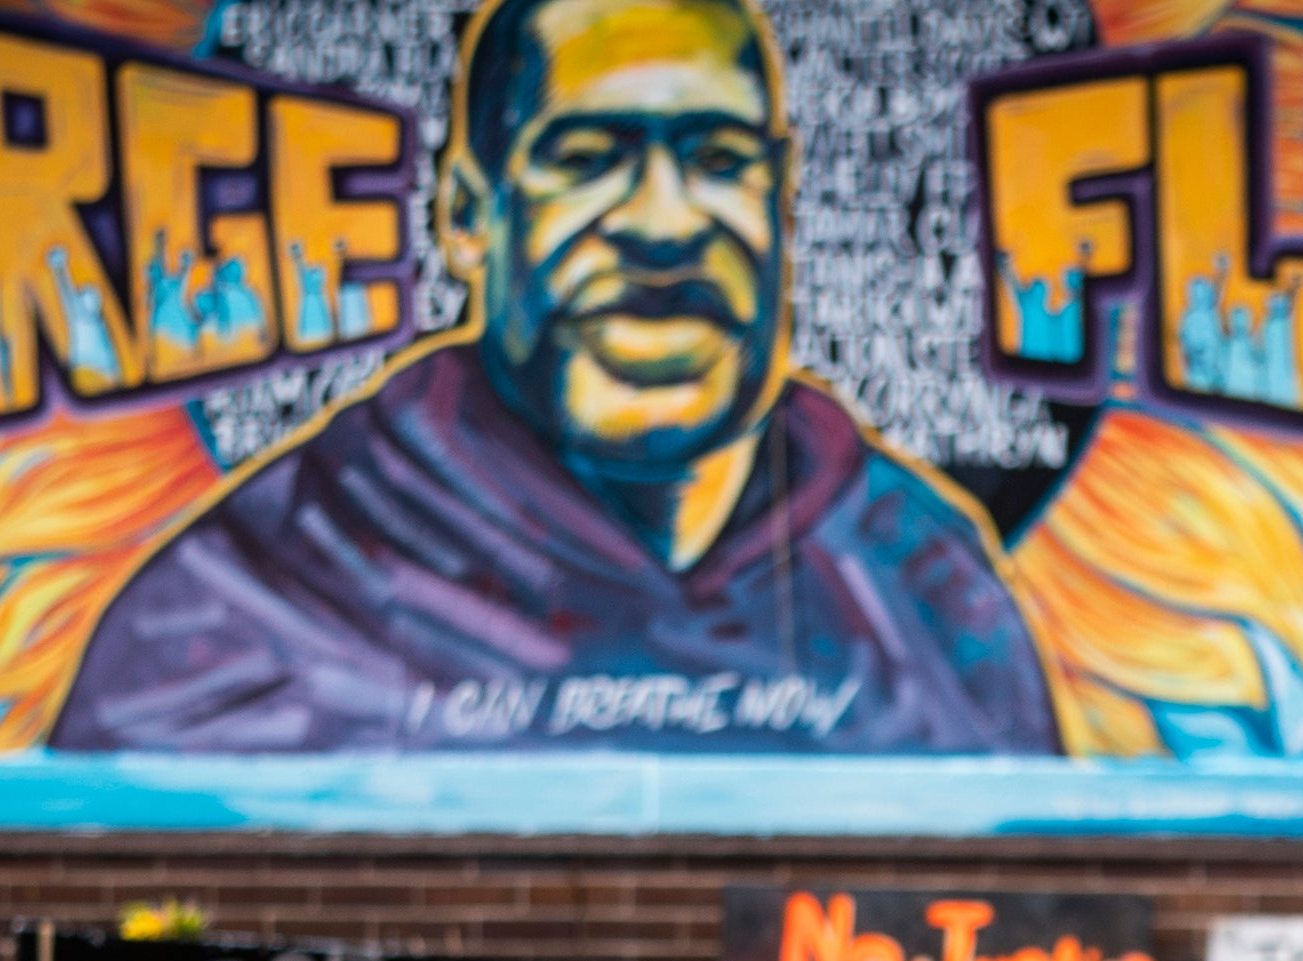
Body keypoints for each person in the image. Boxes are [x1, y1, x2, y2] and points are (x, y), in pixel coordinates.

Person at [51, 0, 1056, 757]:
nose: (666, 226)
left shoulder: (925, 584)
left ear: (783, 203)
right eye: (585, 157)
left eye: (719, 157)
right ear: (465, 216)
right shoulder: (246, 603)